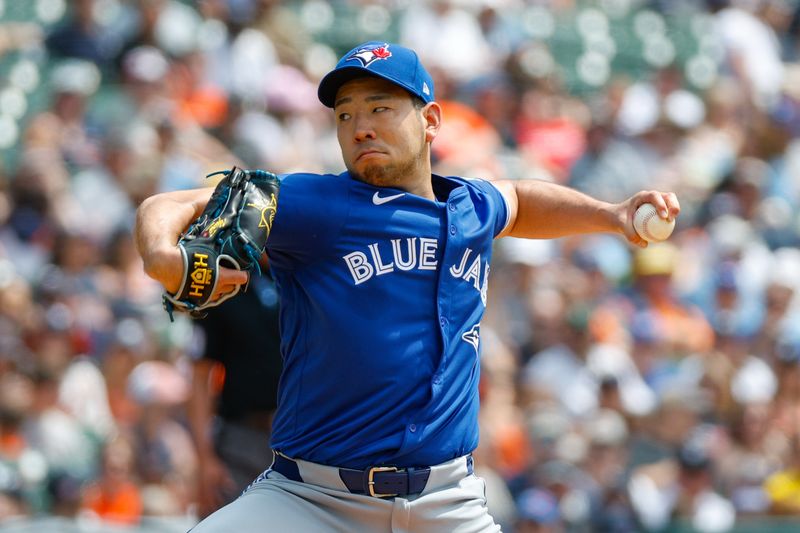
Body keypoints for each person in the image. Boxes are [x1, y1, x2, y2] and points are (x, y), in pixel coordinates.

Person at [134, 41, 680, 532]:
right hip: (310, 501)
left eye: (380, 108)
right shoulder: (318, 204)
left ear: (431, 120)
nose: (360, 126)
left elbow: (518, 199)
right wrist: (163, 255)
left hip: (448, 504)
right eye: (344, 115)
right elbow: (169, 204)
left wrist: (612, 214)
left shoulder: (470, 205)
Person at [187, 271, 282, 518]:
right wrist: (204, 458)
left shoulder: (302, 276)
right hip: (240, 441)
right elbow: (199, 378)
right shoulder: (223, 283)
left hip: (297, 441)